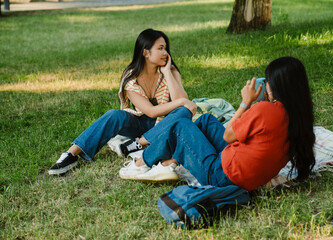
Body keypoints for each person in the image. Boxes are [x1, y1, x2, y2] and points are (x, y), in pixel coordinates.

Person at [128, 57, 316, 190]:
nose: (265, 84)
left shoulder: (266, 109)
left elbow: (228, 135)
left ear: (278, 85)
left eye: (268, 80)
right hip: (246, 174)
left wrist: (245, 103)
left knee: (180, 127)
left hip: (221, 175)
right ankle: (170, 161)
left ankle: (141, 162)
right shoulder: (297, 116)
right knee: (206, 121)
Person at [48, 29, 197, 175]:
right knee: (114, 115)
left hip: (167, 123)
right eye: (160, 48)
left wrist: (167, 74)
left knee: (183, 112)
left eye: (166, 48)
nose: (166, 53)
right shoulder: (131, 77)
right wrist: (183, 101)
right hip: (141, 122)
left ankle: (138, 144)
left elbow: (181, 102)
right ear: (146, 52)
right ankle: (70, 155)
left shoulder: (171, 70)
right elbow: (151, 111)